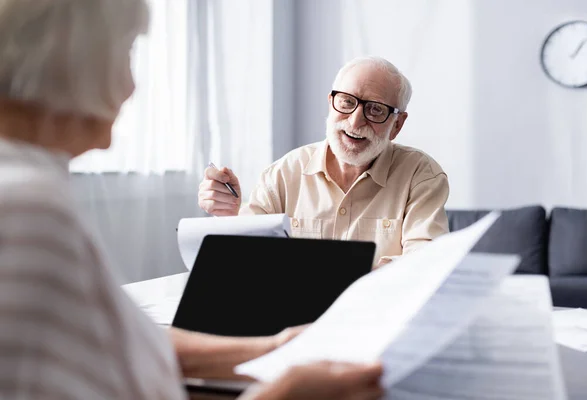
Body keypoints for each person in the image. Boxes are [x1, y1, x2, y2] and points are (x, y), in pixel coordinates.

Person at [0, 1, 383, 399]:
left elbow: (119, 342)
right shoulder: (29, 212)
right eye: (127, 51)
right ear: (71, 58)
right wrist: (286, 393)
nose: (132, 85)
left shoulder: (27, 187)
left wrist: (274, 349)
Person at [198, 56, 449, 267]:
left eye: (375, 110)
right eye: (347, 102)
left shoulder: (421, 176)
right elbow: (246, 260)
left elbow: (424, 268)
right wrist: (228, 215)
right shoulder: (284, 174)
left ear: (397, 124)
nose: (355, 121)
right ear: (331, 104)